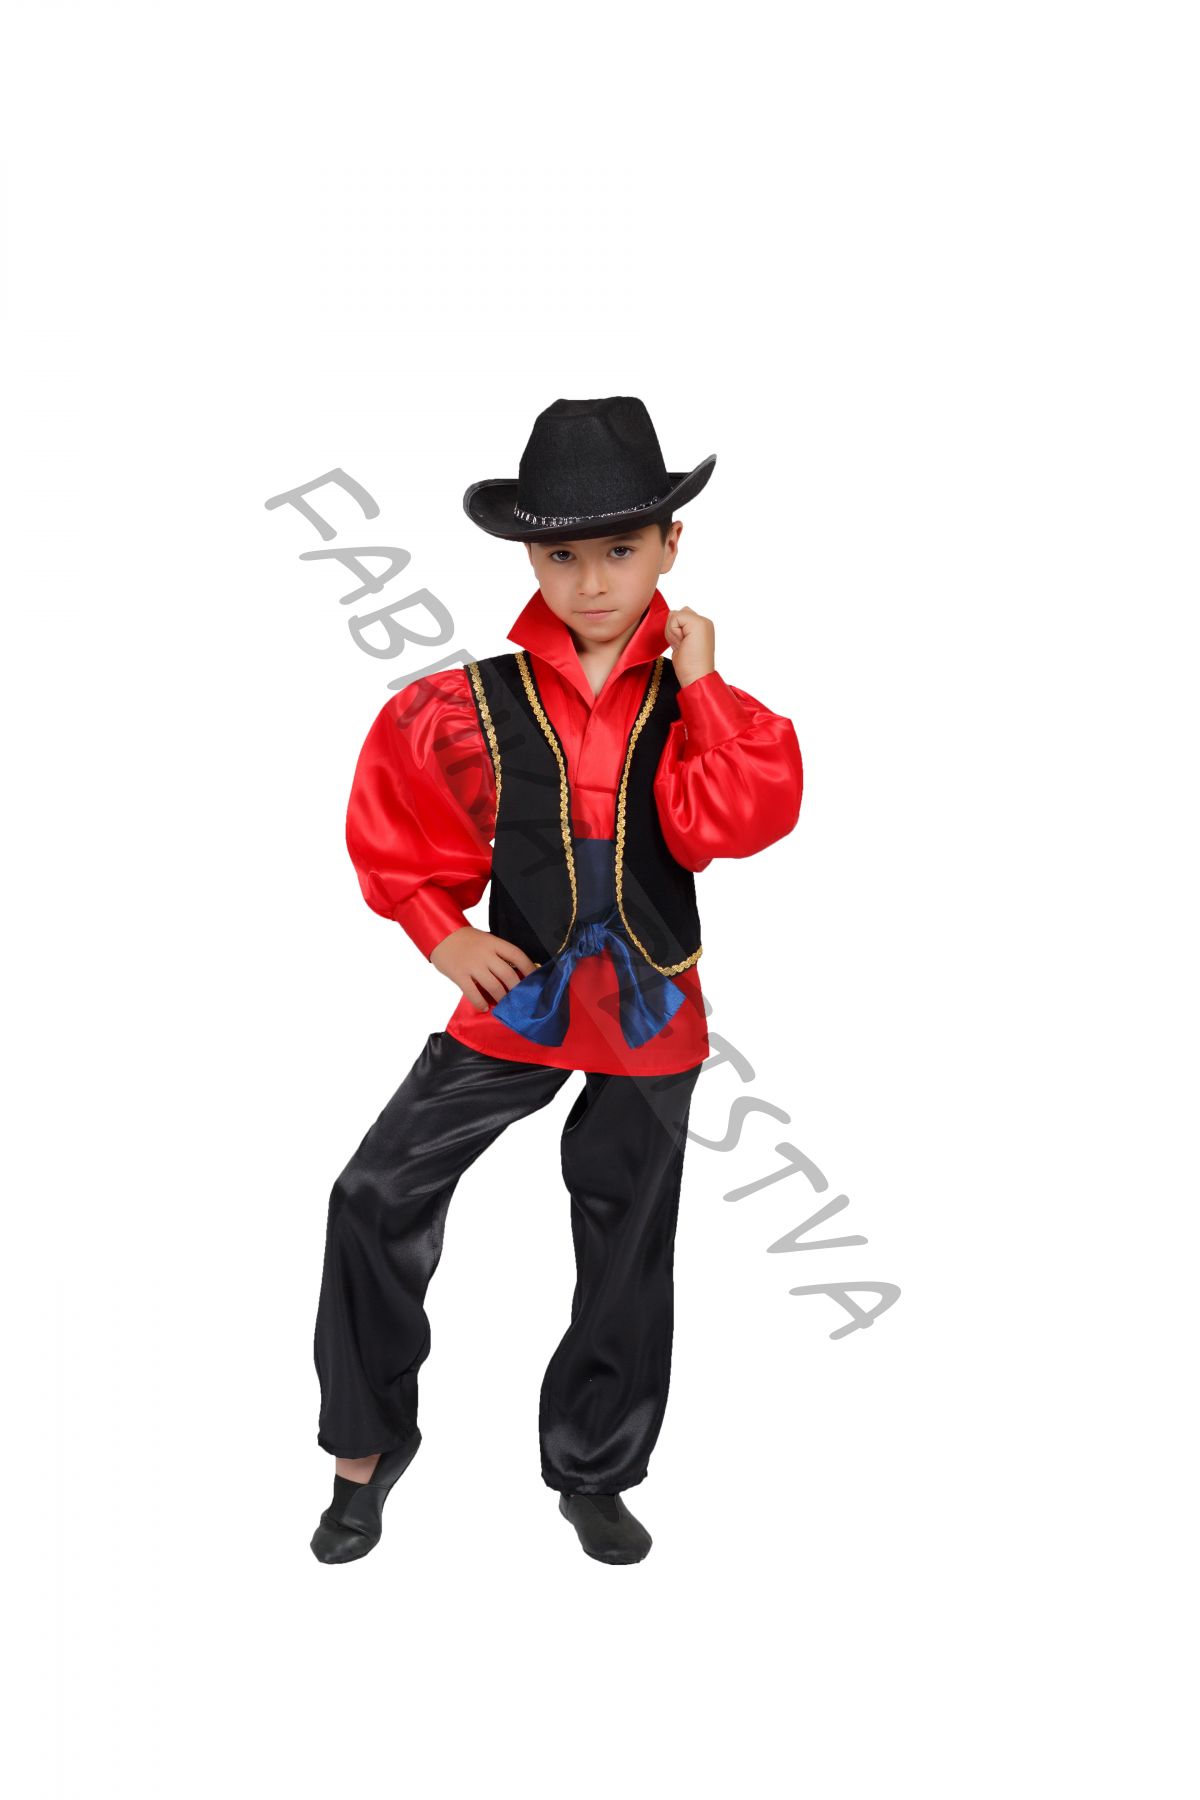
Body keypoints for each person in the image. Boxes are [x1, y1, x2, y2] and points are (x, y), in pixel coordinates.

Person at [311, 396, 804, 1565]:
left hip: (649, 1006)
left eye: (620, 550)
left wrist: (704, 685)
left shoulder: (696, 704)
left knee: (627, 1235)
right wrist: (443, 934)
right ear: (530, 557)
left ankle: (595, 1465)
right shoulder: (473, 702)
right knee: (373, 1194)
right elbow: (400, 825)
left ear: (670, 546)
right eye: (562, 555)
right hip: (521, 1000)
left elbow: (732, 822)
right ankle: (366, 1448)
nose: (591, 582)